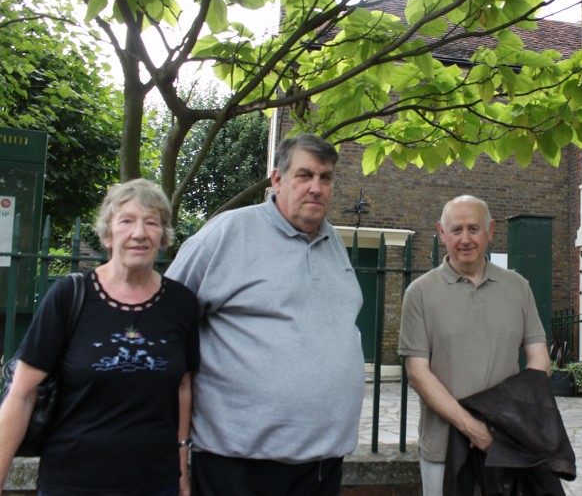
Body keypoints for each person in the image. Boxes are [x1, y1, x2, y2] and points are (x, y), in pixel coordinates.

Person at [165, 133, 365, 496]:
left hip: (322, 462)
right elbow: (164, 322)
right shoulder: (227, 233)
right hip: (240, 463)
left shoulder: (333, 242)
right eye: (304, 176)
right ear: (277, 179)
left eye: (326, 177)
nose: (316, 188)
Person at [0, 179, 200, 496]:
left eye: (151, 222)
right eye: (127, 221)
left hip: (156, 483)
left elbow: (184, 385)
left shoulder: (181, 304)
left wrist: (182, 468)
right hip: (72, 483)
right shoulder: (70, 295)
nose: (139, 233)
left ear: (162, 237)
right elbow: (23, 393)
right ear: (108, 235)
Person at [398, 195, 552, 496]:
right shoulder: (420, 293)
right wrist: (471, 427)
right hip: (442, 449)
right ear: (442, 233)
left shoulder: (518, 287)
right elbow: (417, 374)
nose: (465, 239)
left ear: (490, 230)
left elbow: (539, 361)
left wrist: (506, 419)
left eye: (474, 229)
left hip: (508, 444)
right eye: (456, 230)